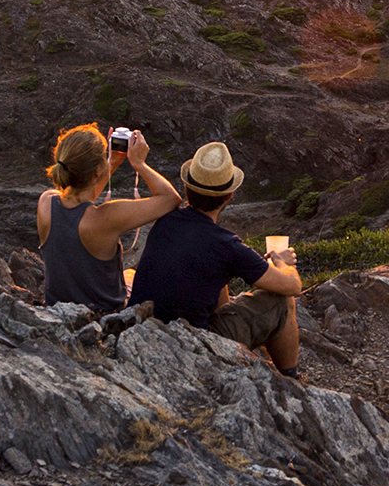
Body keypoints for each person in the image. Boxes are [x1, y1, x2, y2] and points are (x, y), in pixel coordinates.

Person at [127, 141, 306, 377]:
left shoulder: (164, 221)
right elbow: (292, 287)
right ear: (229, 196)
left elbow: (212, 282)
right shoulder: (227, 245)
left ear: (187, 187)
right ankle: (290, 380)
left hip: (141, 331)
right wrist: (285, 263)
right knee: (282, 303)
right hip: (193, 344)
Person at [37, 123, 181, 312]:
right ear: (97, 171)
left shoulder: (46, 202)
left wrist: (111, 163)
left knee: (128, 273)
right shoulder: (106, 218)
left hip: (57, 311)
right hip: (102, 317)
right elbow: (170, 199)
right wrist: (139, 164)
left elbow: (79, 198)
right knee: (134, 276)